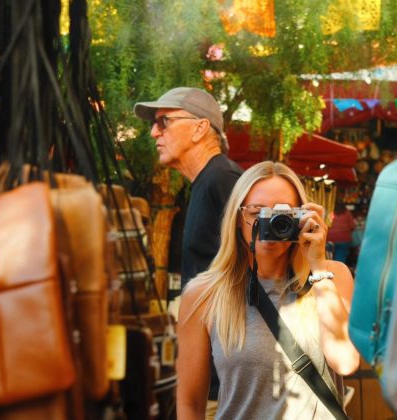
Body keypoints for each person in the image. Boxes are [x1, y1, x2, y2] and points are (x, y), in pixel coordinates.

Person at [177, 161, 360, 419]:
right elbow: (190, 403)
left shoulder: (332, 276)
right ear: (237, 218)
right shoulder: (203, 294)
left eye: (282, 214)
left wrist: (317, 265)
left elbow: (346, 363)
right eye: (256, 213)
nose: (271, 223)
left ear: (302, 216)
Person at [134, 87, 243, 415]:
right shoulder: (207, 182)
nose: (154, 133)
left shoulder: (223, 179)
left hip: (227, 388)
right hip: (211, 380)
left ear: (200, 128)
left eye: (164, 122)